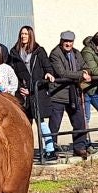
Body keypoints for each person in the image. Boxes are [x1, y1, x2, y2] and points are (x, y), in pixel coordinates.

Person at [43, 32, 90, 160]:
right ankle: (52, 148)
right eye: (66, 41)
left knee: (79, 120)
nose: (68, 44)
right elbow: (62, 73)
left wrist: (85, 71)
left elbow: (85, 66)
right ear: (61, 41)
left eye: (70, 41)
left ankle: (79, 147)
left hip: (73, 91)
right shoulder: (55, 53)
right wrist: (81, 75)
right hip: (58, 93)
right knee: (55, 123)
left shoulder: (76, 53)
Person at [7, 26, 51, 157]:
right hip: (23, 93)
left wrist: (49, 74)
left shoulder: (39, 51)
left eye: (26, 34)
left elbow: (47, 66)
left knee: (40, 121)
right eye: (21, 34)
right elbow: (12, 72)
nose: (23, 36)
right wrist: (20, 87)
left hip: (37, 92)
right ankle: (27, 151)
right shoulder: (14, 52)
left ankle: (50, 149)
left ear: (30, 35)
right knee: (25, 122)